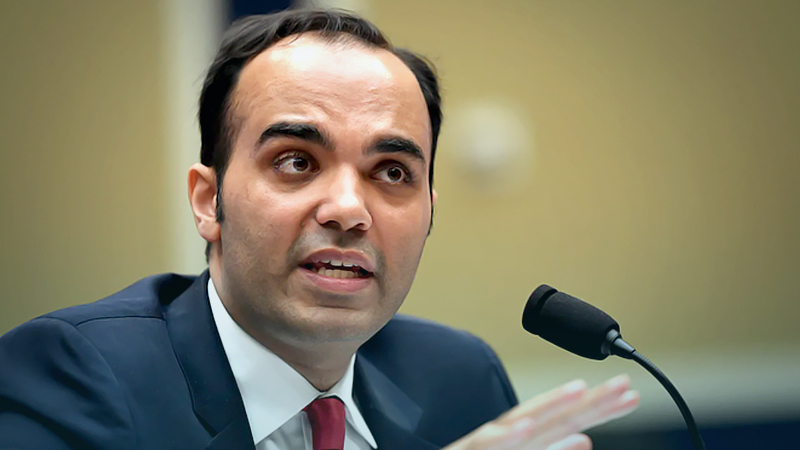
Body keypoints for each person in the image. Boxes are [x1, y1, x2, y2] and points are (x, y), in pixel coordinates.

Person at [0, 9, 638, 450]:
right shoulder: (76, 375)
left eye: (391, 171)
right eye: (297, 162)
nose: (347, 209)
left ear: (430, 214)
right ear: (207, 200)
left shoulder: (459, 378)